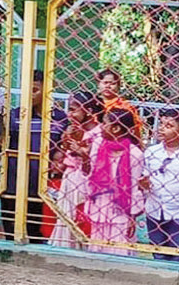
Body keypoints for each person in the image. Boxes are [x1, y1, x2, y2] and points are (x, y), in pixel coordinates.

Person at [5, 70, 68, 241]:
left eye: (35, 90)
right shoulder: (14, 116)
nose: (30, 95)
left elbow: (64, 147)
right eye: (27, 90)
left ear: (47, 91)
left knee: (38, 231)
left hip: (44, 185)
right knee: (12, 230)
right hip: (15, 182)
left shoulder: (60, 119)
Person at [139, 110, 179, 262]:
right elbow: (144, 177)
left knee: (178, 254)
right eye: (161, 124)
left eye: (168, 126)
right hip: (154, 209)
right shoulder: (151, 152)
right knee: (158, 253)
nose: (162, 128)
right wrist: (144, 184)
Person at [84, 108, 144, 256]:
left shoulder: (135, 154)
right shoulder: (98, 145)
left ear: (116, 128)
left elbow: (134, 187)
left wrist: (132, 217)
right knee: (97, 243)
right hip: (100, 202)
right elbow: (90, 173)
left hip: (121, 206)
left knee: (119, 246)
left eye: (104, 123)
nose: (100, 128)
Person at [49, 91, 102, 247]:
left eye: (74, 109)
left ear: (89, 111)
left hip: (86, 180)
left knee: (80, 217)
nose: (69, 114)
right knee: (66, 216)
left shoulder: (98, 134)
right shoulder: (73, 129)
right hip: (70, 177)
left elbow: (95, 165)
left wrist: (82, 152)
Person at [96, 69, 143, 144]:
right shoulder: (93, 103)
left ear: (118, 86)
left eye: (112, 83)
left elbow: (135, 131)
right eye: (105, 83)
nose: (108, 86)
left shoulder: (124, 106)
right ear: (98, 84)